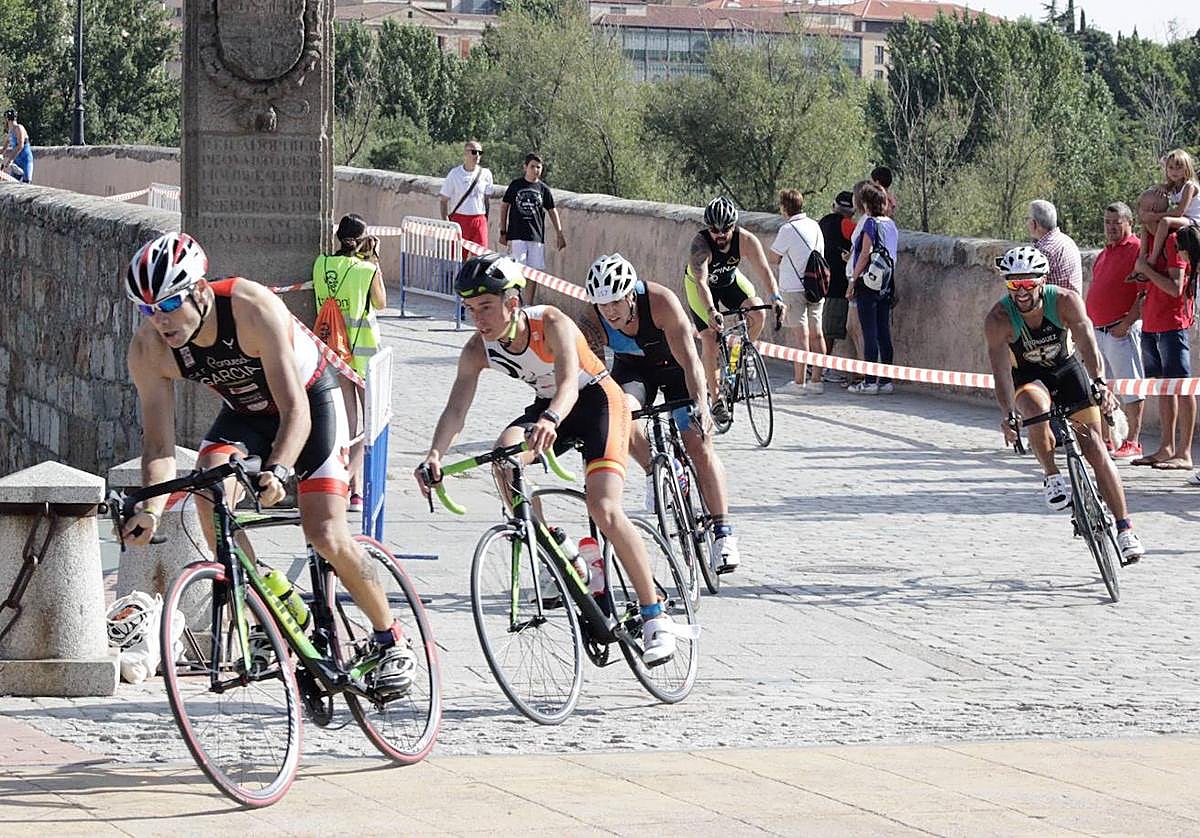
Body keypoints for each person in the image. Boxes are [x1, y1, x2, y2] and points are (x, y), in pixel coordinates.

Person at [122, 232, 415, 696]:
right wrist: (150, 510)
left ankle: (388, 636)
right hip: (246, 414)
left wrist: (279, 469)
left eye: (169, 303)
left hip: (311, 403)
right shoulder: (149, 349)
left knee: (324, 532)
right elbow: (159, 446)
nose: (159, 319)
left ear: (199, 290)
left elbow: (295, 410)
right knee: (208, 488)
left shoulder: (250, 306)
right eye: (146, 308)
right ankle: (266, 605)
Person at [415, 253, 679, 664]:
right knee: (505, 458)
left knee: (604, 508)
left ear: (512, 303)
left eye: (486, 307)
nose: (478, 319)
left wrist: (553, 417)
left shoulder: (551, 321)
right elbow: (456, 409)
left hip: (598, 401)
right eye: (470, 309)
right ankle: (560, 549)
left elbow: (570, 382)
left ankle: (654, 615)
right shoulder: (477, 349)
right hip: (549, 407)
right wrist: (434, 453)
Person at [985, 245, 1145, 564]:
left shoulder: (1065, 301)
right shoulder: (999, 318)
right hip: (1028, 377)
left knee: (1096, 450)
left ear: (1042, 281)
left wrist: (1099, 382)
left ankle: (1125, 529)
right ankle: (1052, 474)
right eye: (1014, 284)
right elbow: (1001, 372)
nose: (1021, 291)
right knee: (1032, 406)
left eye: (1028, 283)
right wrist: (1007, 415)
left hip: (1067, 371)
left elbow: (1087, 342)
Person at [581, 253, 741, 572]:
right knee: (621, 412)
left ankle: (723, 533)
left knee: (698, 441)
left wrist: (701, 404)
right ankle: (655, 469)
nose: (609, 310)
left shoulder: (660, 302)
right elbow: (596, 379)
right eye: (603, 303)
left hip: (675, 369)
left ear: (630, 294)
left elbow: (691, 361)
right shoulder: (591, 319)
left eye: (615, 301)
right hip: (634, 372)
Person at [684, 196, 784, 423]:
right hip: (701, 289)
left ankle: (741, 352)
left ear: (734, 225)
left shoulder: (746, 240)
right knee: (710, 338)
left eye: (725, 229)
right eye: (713, 229)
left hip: (729, 282)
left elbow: (764, 270)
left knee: (758, 312)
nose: (719, 234)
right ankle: (716, 399)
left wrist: (776, 297)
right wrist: (711, 311)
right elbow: (701, 283)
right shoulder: (700, 245)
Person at [312, 213, 387, 510]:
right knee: (370, 424)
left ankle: (349, 488)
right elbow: (381, 303)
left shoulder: (321, 264)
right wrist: (374, 260)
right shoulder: (366, 269)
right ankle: (354, 485)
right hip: (364, 351)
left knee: (348, 423)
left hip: (333, 350)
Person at [1130, 188, 1195, 472]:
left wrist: (1147, 268)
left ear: (1157, 211)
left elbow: (1176, 287)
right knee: (1162, 386)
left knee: (1181, 386)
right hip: (1152, 323)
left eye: (1145, 209)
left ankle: (1184, 452)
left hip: (1172, 323)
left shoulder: (1173, 240)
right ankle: (1166, 447)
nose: (1141, 215)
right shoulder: (1151, 240)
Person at [1084, 202, 1144, 460]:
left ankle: (1133, 440)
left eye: (1116, 223)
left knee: (1131, 386)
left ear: (1129, 223)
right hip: (1098, 330)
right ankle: (1109, 437)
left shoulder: (1137, 250)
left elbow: (1144, 292)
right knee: (1100, 386)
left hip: (1120, 329)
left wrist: (1127, 323)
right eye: (1107, 223)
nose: (1110, 228)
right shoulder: (1104, 253)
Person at [768, 189, 826, 394]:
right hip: (816, 287)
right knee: (817, 335)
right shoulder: (815, 225)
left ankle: (799, 382)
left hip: (793, 288)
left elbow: (773, 258)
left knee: (800, 337)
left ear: (785, 207)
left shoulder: (788, 229)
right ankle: (817, 381)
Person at [847, 182, 898, 395]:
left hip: (868, 284)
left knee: (869, 332)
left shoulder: (870, 224)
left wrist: (853, 280)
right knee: (884, 332)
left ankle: (869, 381)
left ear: (866, 204)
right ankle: (885, 380)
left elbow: (865, 253)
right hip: (887, 283)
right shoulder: (891, 225)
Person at [499, 153, 566, 302]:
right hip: (517, 235)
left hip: (536, 236)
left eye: (538, 167)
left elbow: (552, 210)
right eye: (532, 166)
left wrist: (559, 233)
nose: (535, 170)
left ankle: (528, 305)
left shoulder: (543, 189)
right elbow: (504, 206)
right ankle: (514, 301)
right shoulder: (516, 185)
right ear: (525, 167)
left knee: (533, 273)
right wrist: (503, 231)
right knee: (517, 271)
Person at [817, 191, 856, 384]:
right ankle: (822, 367)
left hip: (820, 281)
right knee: (830, 330)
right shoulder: (847, 225)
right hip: (838, 284)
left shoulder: (822, 222)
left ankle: (817, 365)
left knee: (823, 326)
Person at [1145, 148, 1200, 265]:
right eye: (1170, 168)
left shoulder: (1189, 187)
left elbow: (1179, 212)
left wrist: (1156, 216)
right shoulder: (1172, 186)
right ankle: (1144, 254)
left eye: (1179, 167)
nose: (1174, 171)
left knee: (1165, 221)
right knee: (1146, 223)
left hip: (1195, 221)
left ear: (1187, 168)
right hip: (1185, 219)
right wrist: (1161, 187)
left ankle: (1153, 258)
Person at [438, 139, 493, 251]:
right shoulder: (455, 173)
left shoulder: (486, 174)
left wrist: (485, 219)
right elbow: (444, 200)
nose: (477, 155)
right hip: (460, 219)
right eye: (474, 152)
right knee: (457, 255)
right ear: (466, 153)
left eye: (479, 152)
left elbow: (487, 199)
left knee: (481, 255)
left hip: (479, 218)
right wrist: (446, 222)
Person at [1028, 199, 1083, 295]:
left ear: (1034, 223)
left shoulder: (1044, 251)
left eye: (1027, 219)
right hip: (1073, 306)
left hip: (1054, 308)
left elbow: (1032, 292)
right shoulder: (1067, 241)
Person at [2, 109, 32, 183]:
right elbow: (3, 150)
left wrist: (10, 160)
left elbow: (20, 145)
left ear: (7, 119)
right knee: (12, 184)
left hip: (26, 160)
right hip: (16, 162)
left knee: (27, 183)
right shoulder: (9, 133)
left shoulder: (19, 128)